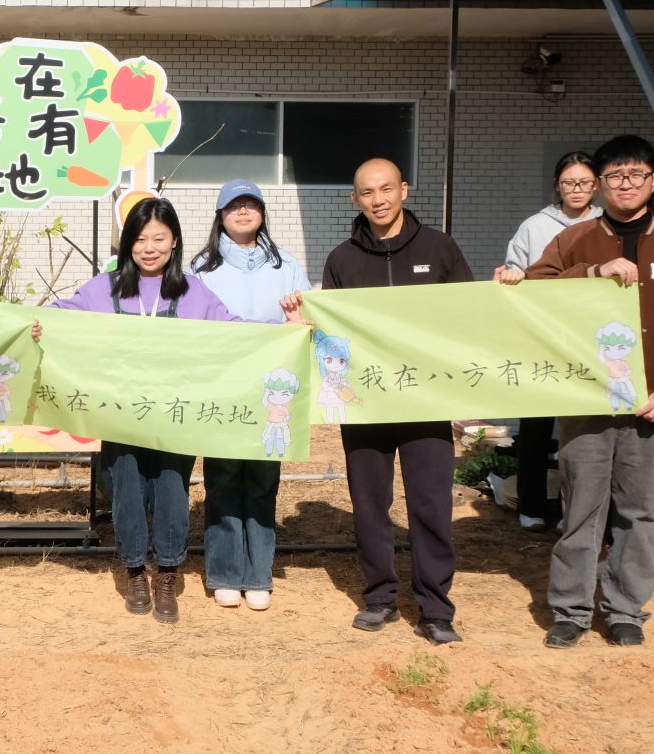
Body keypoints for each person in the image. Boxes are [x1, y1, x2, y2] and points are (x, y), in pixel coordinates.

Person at [519, 134, 654, 649]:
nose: (625, 184)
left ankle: (626, 610)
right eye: (614, 176)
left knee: (642, 513)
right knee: (581, 509)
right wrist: (591, 274)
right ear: (600, 185)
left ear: (653, 180)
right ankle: (571, 610)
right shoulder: (576, 240)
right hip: (588, 400)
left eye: (636, 174)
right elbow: (534, 292)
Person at [290, 157, 472, 646]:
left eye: (386, 189)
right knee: (370, 503)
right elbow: (332, 336)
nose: (378, 200)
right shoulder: (342, 259)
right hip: (365, 403)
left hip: (425, 400)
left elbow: (468, 316)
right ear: (355, 199)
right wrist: (304, 324)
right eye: (367, 192)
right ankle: (380, 598)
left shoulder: (440, 248)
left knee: (431, 504)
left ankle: (435, 608)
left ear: (404, 190)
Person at [48, 196, 243, 625]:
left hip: (175, 415)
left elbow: (234, 331)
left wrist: (286, 332)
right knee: (127, 490)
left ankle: (168, 572)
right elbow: (60, 316)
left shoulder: (193, 291)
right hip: (120, 414)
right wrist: (11, 317)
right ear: (127, 244)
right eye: (139, 239)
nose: (149, 248)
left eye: (158, 238)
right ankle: (135, 570)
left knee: (173, 488)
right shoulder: (103, 288)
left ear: (174, 242)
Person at [189, 178, 311, 611]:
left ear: (262, 213)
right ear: (220, 216)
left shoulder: (287, 266)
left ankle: (258, 574)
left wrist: (298, 322)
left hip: (272, 388)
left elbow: (306, 317)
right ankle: (225, 572)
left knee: (261, 478)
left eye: (251, 204)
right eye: (233, 206)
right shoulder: (201, 267)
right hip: (223, 385)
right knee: (223, 476)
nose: (243, 212)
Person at [492, 152, 600, 530]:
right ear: (557, 186)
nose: (576, 189)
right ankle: (531, 506)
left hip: (590, 341)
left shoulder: (607, 226)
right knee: (536, 424)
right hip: (540, 337)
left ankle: (575, 512)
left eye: (584, 182)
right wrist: (510, 276)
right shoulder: (534, 226)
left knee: (582, 431)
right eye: (569, 182)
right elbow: (514, 270)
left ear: (596, 186)